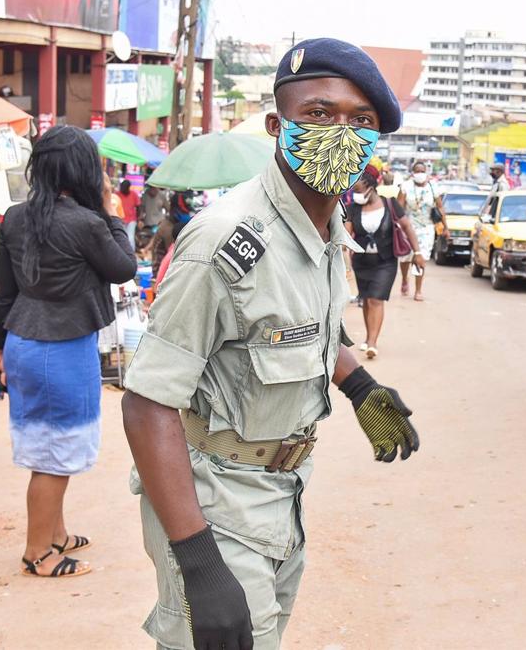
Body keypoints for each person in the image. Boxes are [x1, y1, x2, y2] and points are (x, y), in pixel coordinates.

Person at [120, 38, 420, 649]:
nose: (342, 131)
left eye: (361, 121)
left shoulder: (322, 227)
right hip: (214, 505)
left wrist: (359, 382)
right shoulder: (224, 244)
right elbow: (147, 403)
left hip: (283, 494)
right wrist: (199, 563)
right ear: (276, 125)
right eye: (320, 114)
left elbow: (305, 327)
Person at [0, 126, 137, 579]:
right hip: (61, 349)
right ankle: (38, 553)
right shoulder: (87, 223)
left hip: (24, 344)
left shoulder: (14, 217)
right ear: (85, 171)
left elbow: (4, 293)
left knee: (51, 448)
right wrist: (109, 210)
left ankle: (56, 532)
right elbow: (123, 266)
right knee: (54, 455)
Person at [346, 164, 423, 357]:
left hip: (385, 262)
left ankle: (372, 342)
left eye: (358, 184)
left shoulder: (390, 204)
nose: (354, 189)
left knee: (375, 299)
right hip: (362, 262)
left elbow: (407, 227)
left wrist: (418, 253)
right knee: (366, 298)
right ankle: (367, 337)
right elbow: (346, 235)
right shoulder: (353, 208)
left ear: (369, 184)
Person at [397, 160, 446, 300]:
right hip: (408, 228)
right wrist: (397, 226)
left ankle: (418, 290)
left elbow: (440, 207)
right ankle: (405, 279)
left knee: (421, 257)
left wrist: (445, 227)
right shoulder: (405, 187)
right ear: (413, 173)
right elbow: (399, 208)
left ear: (426, 172)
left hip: (426, 228)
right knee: (405, 257)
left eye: (422, 171)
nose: (420, 174)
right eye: (417, 171)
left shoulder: (433, 187)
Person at [144, 190, 196, 277]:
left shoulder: (177, 226)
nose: (186, 215)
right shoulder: (168, 229)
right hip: (161, 274)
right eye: (184, 212)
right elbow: (176, 257)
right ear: (176, 211)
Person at [118, 179, 141, 250]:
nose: (122, 190)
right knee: (122, 237)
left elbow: (138, 206)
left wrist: (138, 218)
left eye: (123, 188)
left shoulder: (134, 194)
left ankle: (131, 253)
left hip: (131, 220)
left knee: (130, 237)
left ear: (128, 188)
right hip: (120, 219)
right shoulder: (117, 194)